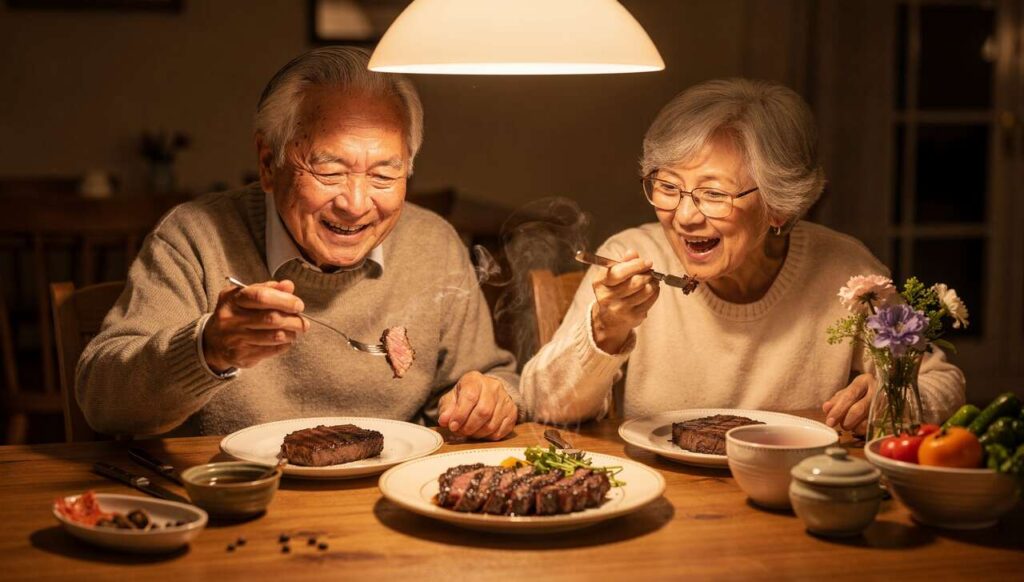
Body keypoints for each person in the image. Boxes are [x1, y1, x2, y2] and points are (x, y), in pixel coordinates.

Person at [77, 47, 520, 439]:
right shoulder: (195, 237)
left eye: (384, 175)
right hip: (238, 507)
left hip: (388, 503)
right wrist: (207, 349)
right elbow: (102, 401)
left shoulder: (433, 243)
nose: (356, 203)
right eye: (329, 171)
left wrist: (492, 397)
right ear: (269, 164)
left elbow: (493, 375)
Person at [521, 78, 965, 432]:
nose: (684, 216)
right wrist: (606, 330)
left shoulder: (846, 274)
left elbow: (945, 383)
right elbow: (544, 402)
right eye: (668, 186)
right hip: (665, 503)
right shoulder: (630, 254)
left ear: (778, 205)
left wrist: (890, 397)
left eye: (713, 193)